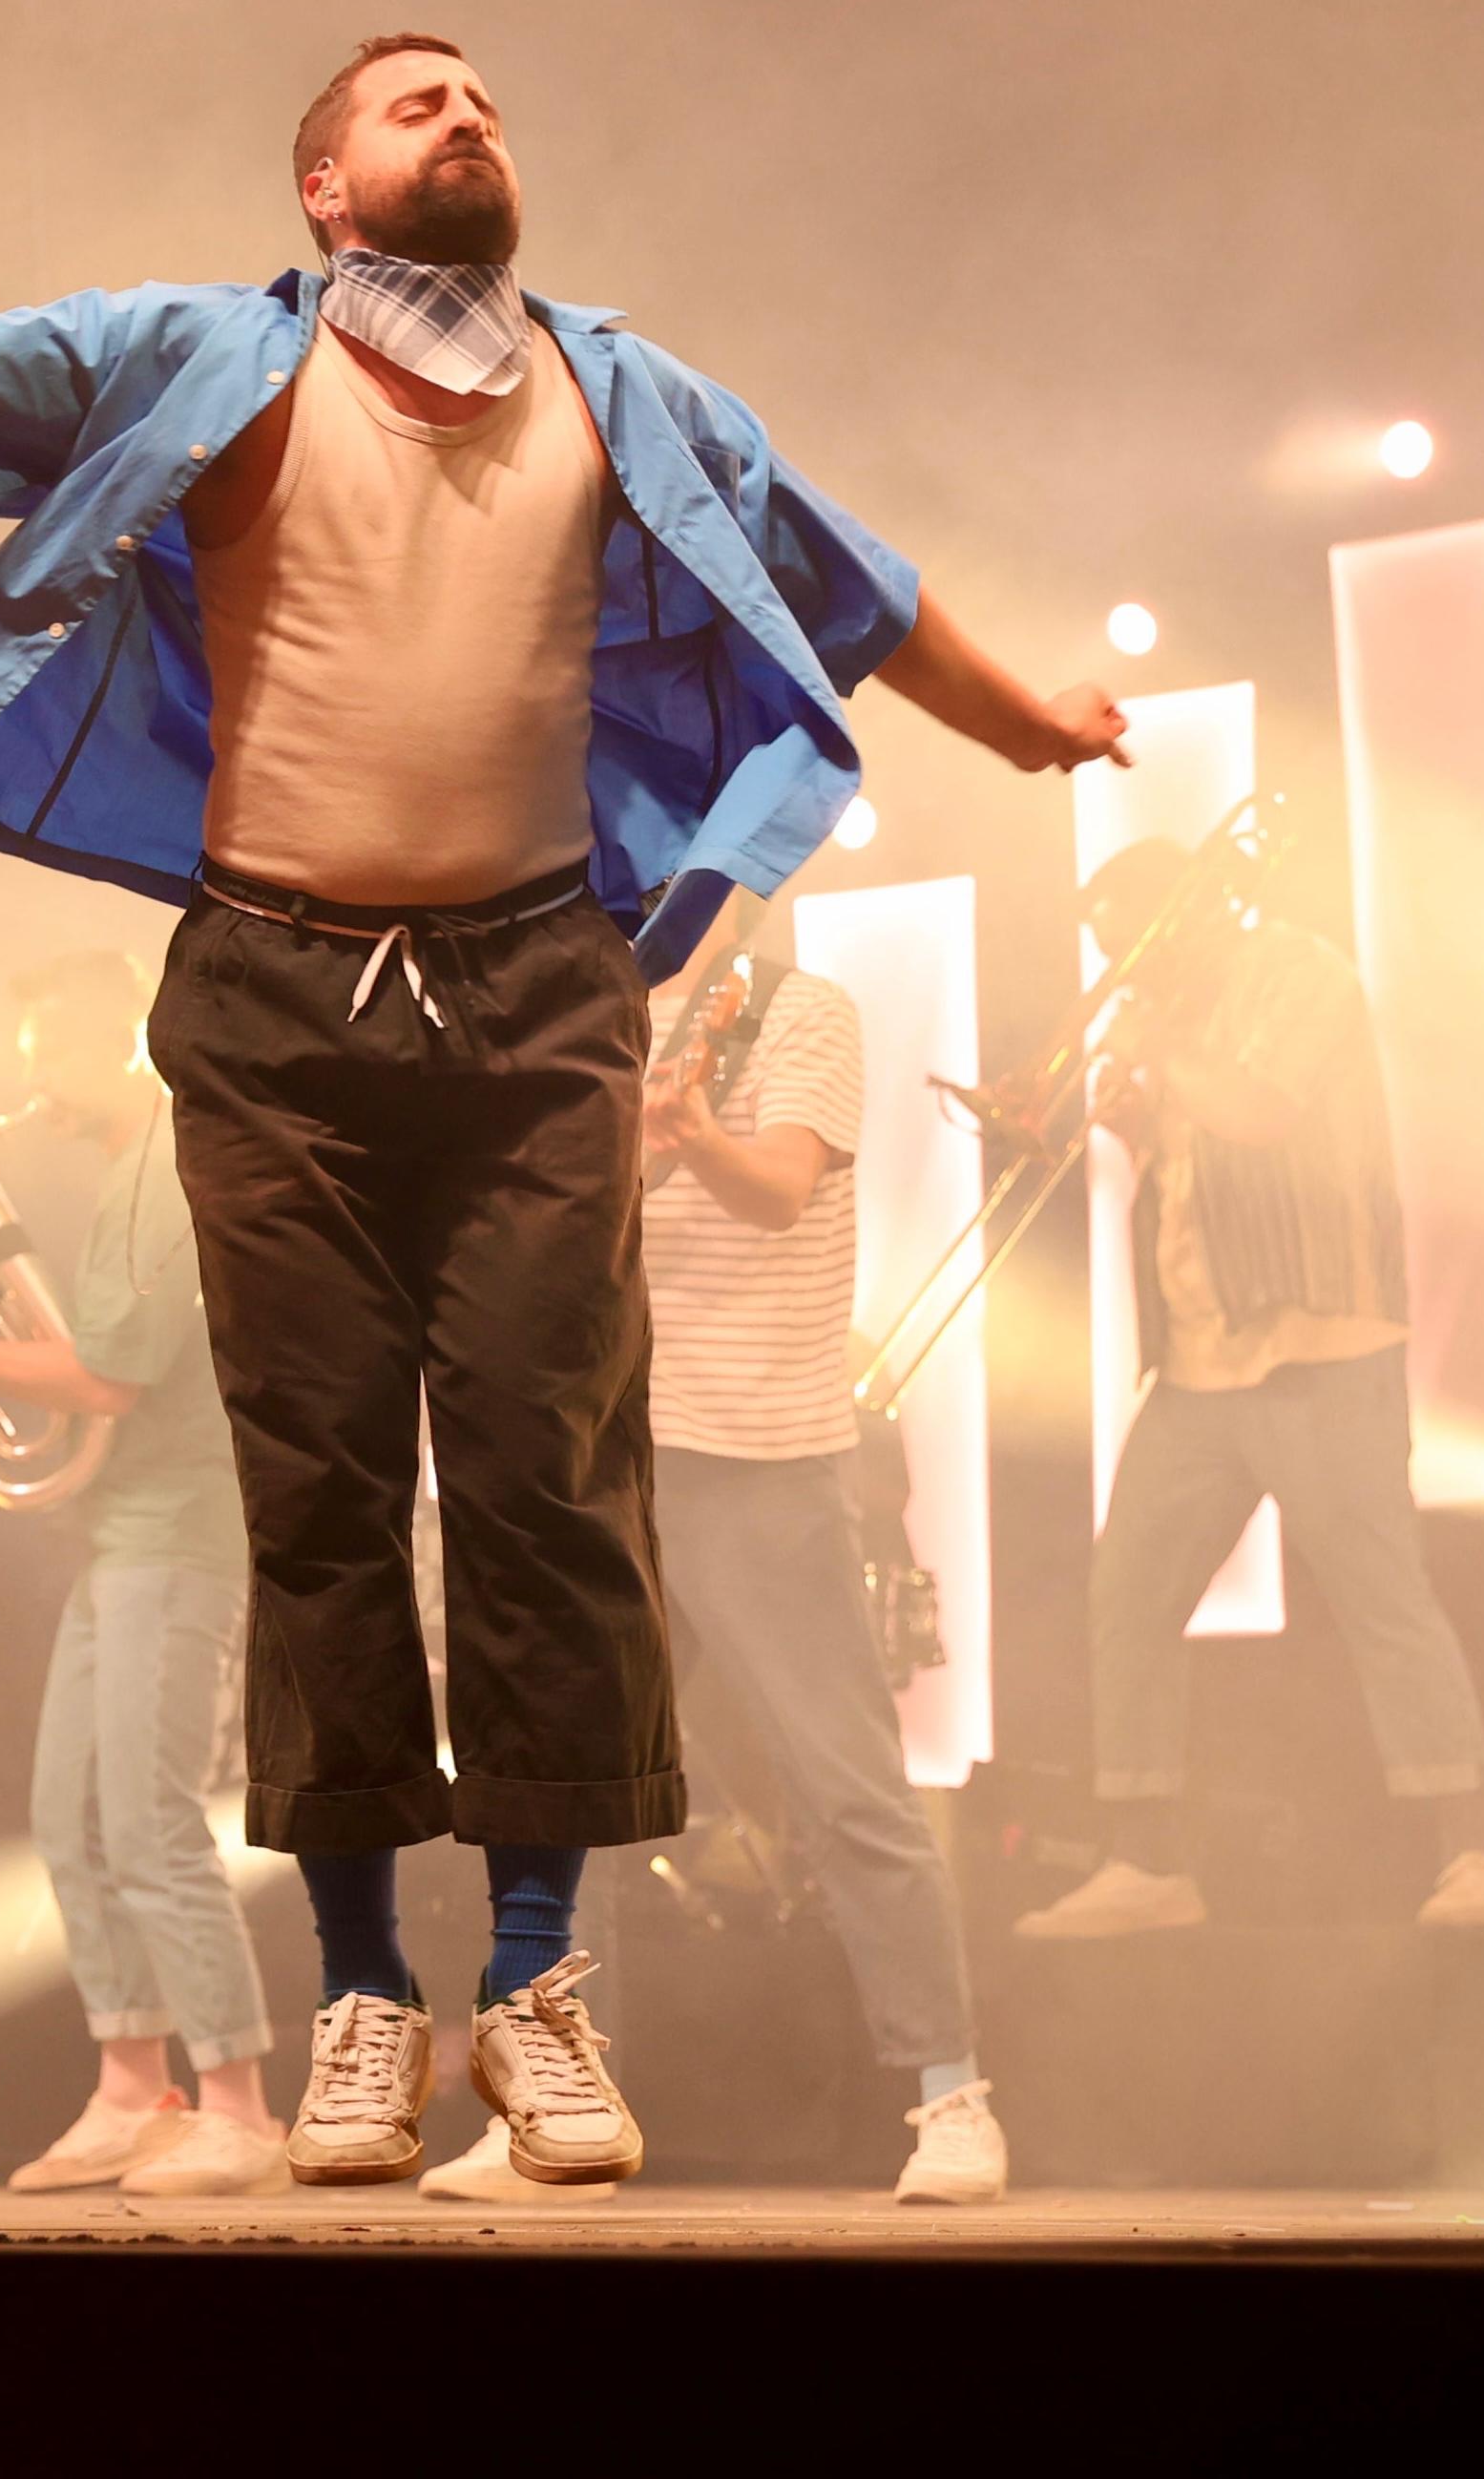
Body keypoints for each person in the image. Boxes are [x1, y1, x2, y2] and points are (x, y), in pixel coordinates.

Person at [0, 33, 1125, 2190]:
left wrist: (1027, 719)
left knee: (544, 1485)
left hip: (535, 993)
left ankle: (535, 1985)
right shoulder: (209, 356)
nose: (468, 116)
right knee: (318, 1495)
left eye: (485, 98)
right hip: (273, 993)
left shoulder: (621, 391)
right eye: (416, 104)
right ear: (325, 188)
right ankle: (358, 1991)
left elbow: (850, 582)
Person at [425, 910, 1005, 2203]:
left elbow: (780, 1191)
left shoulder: (797, 1012)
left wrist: (692, 1137)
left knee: (844, 1786)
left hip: (758, 1460)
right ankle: (558, 2115)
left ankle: (951, 2097)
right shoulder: (571, 1026)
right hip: (597, 1460)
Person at [1011, 842, 1484, 1941]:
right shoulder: (1177, 1016)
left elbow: (1262, 1113)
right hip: (1199, 1370)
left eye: (1133, 945)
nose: (1126, 971)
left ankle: (1478, 1854)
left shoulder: (1298, 973)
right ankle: (1147, 1862)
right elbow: (1202, 1172)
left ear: (1183, 917)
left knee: (1381, 1599)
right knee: (1127, 1596)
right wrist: (1136, 1128)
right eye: (1111, 954)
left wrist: (1161, 1055)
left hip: (1320, 1346)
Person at [0, 952, 282, 2199]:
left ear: (128, 1041)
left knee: (150, 1825)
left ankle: (237, 2109)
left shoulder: (168, 1167)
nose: (32, 1078)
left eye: (51, 1050)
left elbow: (106, 1380)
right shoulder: (127, 1173)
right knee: (72, 1821)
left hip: (179, 1536)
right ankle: (131, 2089)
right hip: (122, 1537)